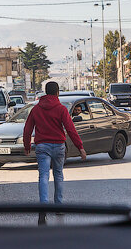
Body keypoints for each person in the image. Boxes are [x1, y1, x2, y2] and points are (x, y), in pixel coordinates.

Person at [23, 82, 87, 225]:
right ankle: (58, 206)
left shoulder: (36, 109)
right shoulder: (61, 109)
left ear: (46, 92)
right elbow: (71, 129)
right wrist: (80, 147)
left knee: (43, 175)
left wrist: (27, 145)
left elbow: (27, 129)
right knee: (58, 174)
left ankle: (43, 207)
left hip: (42, 147)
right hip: (58, 146)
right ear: (57, 92)